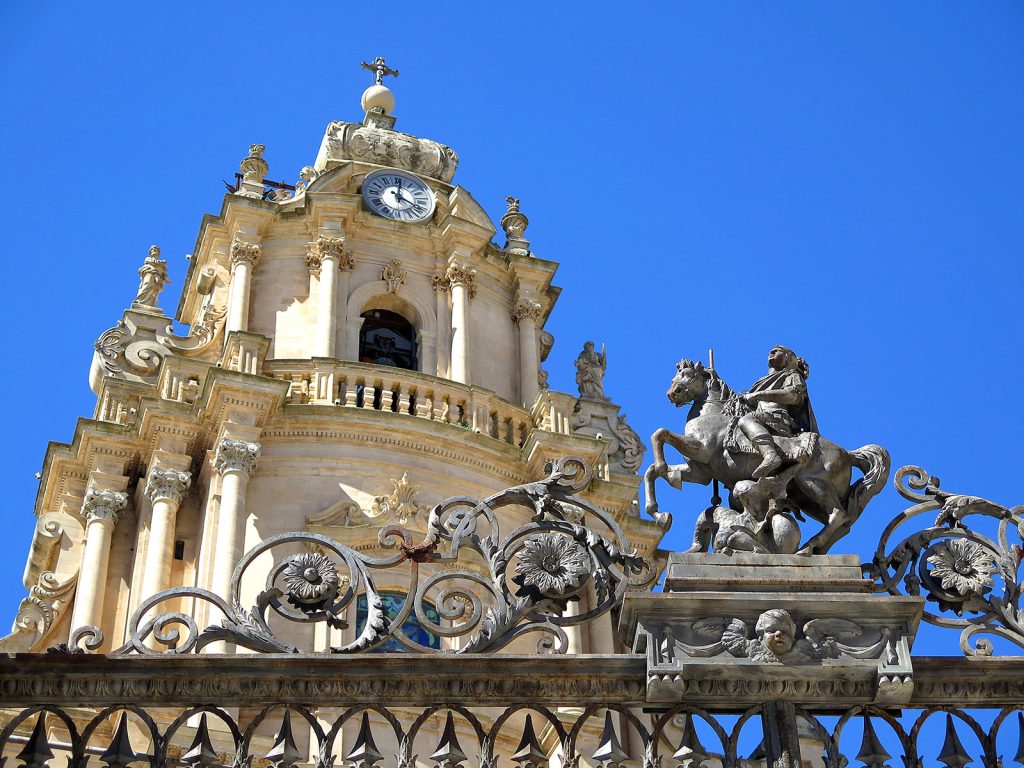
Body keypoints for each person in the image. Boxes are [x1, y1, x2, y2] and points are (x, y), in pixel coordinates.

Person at [737, 345, 817, 479]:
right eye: (772, 350)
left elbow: (792, 395)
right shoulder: (759, 382)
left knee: (746, 420)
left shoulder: (792, 375)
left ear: (788, 358)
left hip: (777, 419)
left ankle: (770, 454)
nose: (771, 351)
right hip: (761, 418)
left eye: (778, 351)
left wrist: (757, 395)